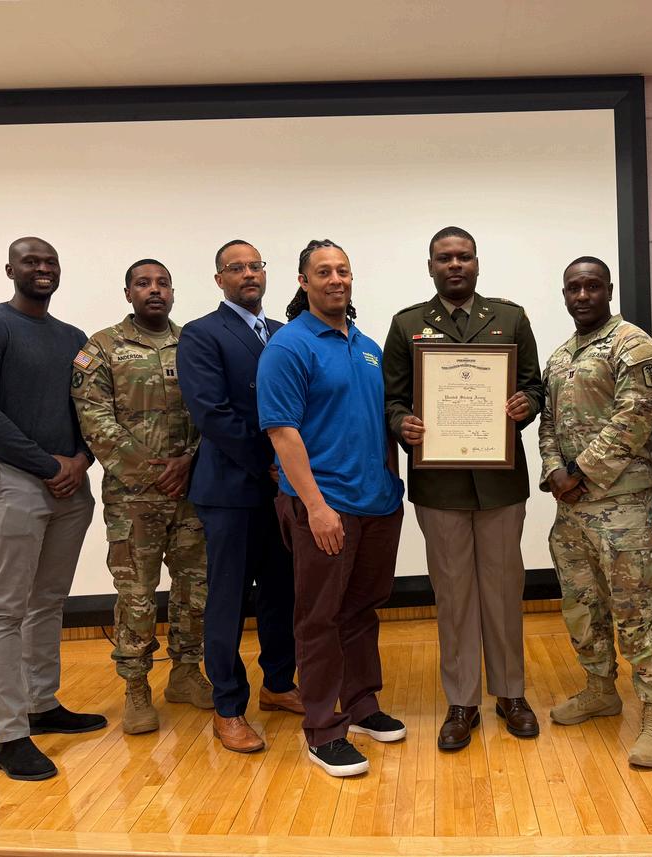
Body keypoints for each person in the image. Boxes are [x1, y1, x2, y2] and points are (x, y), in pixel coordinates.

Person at [382, 226, 544, 751]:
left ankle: (511, 694)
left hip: (500, 482)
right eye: (445, 258)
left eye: (464, 257)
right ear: (430, 266)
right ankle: (462, 701)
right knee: (453, 595)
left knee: (504, 590)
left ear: (477, 263)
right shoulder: (407, 325)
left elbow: (535, 386)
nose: (455, 265)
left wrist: (526, 404)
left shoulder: (510, 318)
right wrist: (403, 423)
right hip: (440, 486)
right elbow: (391, 398)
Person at [0, 236, 106, 781]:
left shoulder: (74, 339)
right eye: (31, 261)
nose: (42, 268)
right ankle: (10, 735)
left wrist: (82, 460)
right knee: (5, 610)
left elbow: (92, 408)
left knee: (48, 601)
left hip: (69, 487)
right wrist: (46, 464)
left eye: (50, 262)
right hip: (12, 482)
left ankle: (42, 704)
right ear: (10, 269)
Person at [259, 239, 406, 777]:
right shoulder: (289, 346)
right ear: (303, 282)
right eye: (323, 272)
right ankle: (323, 729)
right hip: (326, 508)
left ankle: (362, 704)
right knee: (319, 618)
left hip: (377, 504)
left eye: (343, 270)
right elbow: (282, 432)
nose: (335, 279)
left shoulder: (366, 346)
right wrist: (317, 508)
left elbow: (380, 421)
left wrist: (392, 485)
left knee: (362, 610)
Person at [539, 256, 652, 768]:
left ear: (609, 290)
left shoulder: (634, 345)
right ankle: (600, 689)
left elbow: (635, 419)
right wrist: (554, 471)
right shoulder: (560, 357)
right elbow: (547, 423)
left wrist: (578, 472)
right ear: (564, 294)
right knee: (582, 604)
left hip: (623, 505)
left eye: (592, 286)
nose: (582, 296)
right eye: (573, 288)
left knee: (637, 609)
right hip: (573, 509)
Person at [72, 259, 212, 735]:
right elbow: (95, 422)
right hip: (133, 499)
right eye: (143, 283)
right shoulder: (102, 348)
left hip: (191, 492)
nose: (155, 290)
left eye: (163, 283)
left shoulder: (193, 343)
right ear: (128, 293)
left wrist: (189, 462)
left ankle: (186, 673)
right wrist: (154, 473)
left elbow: (212, 411)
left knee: (195, 590)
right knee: (136, 595)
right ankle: (136, 688)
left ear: (173, 292)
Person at [176, 240, 300, 754]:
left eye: (255, 266)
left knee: (281, 593)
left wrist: (289, 468)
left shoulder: (284, 332)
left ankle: (279, 683)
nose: (248, 274)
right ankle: (228, 708)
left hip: (281, 489)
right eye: (236, 268)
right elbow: (212, 413)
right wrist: (270, 459)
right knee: (227, 602)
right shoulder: (202, 334)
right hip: (232, 488)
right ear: (219, 279)